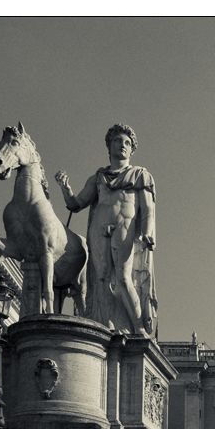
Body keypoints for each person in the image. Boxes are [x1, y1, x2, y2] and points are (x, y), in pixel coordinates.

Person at [56, 124, 157, 337]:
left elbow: (148, 208)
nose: (122, 145)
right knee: (100, 278)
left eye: (127, 143)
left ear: (132, 150)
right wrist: (65, 188)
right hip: (98, 228)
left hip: (125, 226)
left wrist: (148, 232)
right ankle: (105, 323)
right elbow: (76, 204)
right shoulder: (98, 178)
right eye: (117, 141)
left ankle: (139, 326)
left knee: (123, 278)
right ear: (109, 146)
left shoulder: (140, 175)